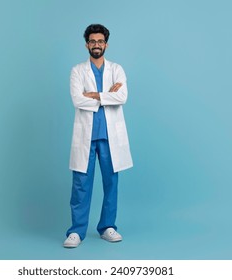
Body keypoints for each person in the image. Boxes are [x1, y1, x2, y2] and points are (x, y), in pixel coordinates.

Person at [63, 24, 133, 248]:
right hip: (87, 135)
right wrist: (105, 96)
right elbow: (77, 99)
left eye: (100, 41)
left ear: (106, 44)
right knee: (81, 185)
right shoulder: (77, 71)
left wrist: (93, 95)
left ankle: (107, 227)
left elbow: (122, 96)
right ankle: (76, 231)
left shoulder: (117, 69)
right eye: (92, 41)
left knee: (111, 182)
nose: (96, 45)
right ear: (86, 44)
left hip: (110, 137)